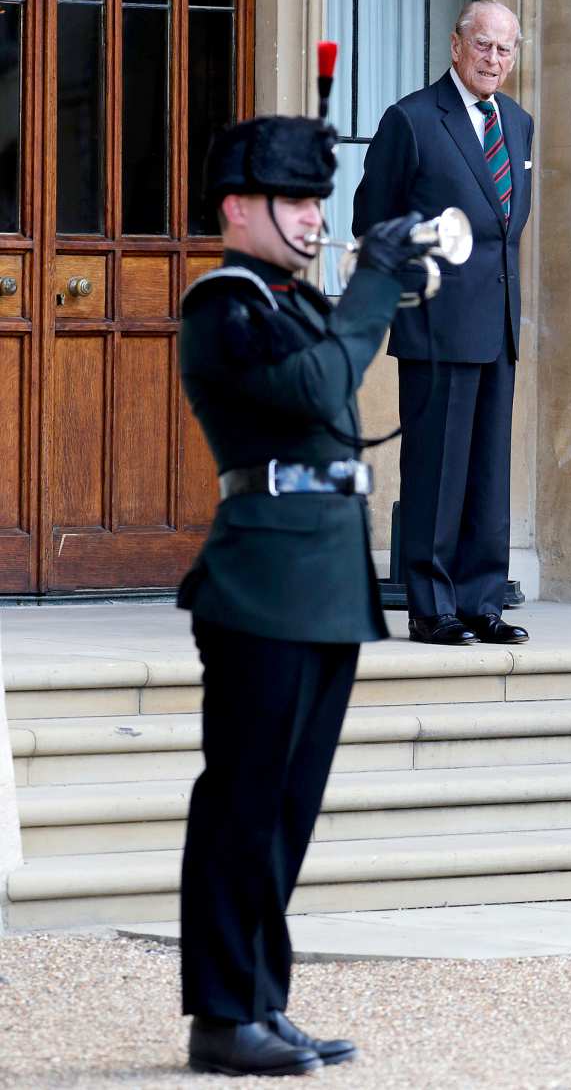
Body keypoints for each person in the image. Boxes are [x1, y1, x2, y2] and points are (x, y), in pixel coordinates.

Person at [176, 113, 422, 1077]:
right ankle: (222, 1012)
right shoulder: (223, 303)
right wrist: (373, 285)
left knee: (288, 810)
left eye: (321, 201)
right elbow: (323, 385)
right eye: (296, 201)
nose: (316, 218)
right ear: (240, 207)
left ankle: (262, 1003)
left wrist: (401, 285)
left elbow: (341, 370)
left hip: (323, 580)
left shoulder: (295, 298)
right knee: (241, 803)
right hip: (263, 582)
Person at [353, 0, 533, 647]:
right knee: (438, 471)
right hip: (436, 323)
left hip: (499, 322)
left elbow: (507, 227)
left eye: (505, 49)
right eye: (483, 46)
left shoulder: (517, 122)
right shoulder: (412, 119)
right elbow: (372, 221)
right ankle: (432, 608)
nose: (493, 60)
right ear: (456, 45)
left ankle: (482, 600)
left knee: (488, 473)